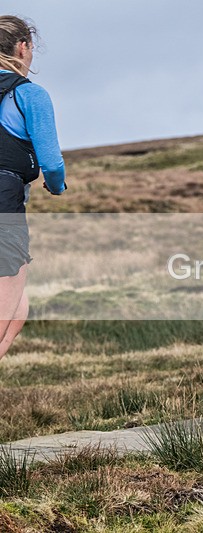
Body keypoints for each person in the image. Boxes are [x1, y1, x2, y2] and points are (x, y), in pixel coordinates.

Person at [0, 16, 66, 361]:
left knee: (18, 310)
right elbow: (52, 164)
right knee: (5, 309)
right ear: (23, 47)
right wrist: (56, 186)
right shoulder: (28, 94)